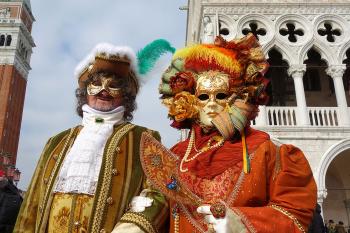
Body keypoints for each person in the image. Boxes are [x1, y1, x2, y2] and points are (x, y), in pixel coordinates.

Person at [139, 33, 317, 232]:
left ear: (239, 96)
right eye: (204, 96)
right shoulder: (176, 155)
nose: (212, 104)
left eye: (221, 95)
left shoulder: (268, 152)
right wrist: (137, 220)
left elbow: (294, 215)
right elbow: (158, 205)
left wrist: (241, 222)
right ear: (190, 100)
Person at [14, 43, 168, 233]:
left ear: (126, 96)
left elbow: (159, 192)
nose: (103, 90)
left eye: (113, 86)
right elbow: (32, 203)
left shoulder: (145, 138)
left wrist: (131, 228)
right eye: (95, 84)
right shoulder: (56, 141)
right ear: (85, 92)